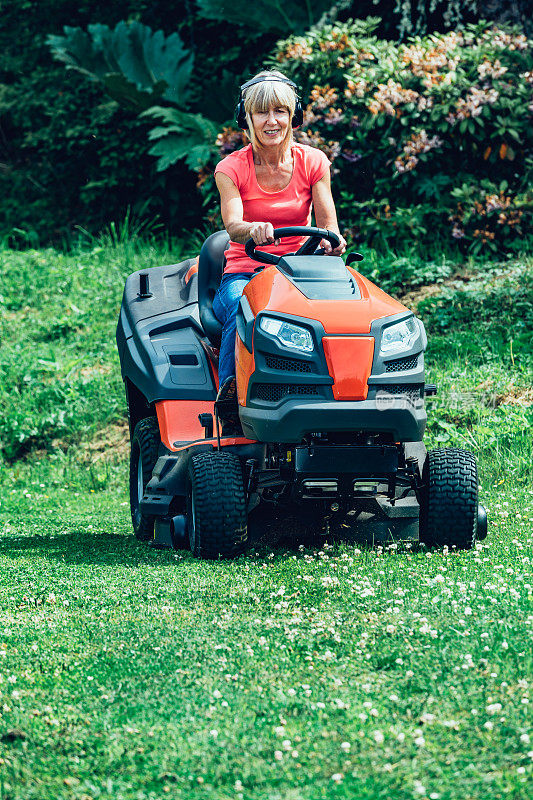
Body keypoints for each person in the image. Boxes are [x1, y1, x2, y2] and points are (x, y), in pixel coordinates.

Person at [213, 70, 346, 425]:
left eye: (280, 111)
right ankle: (231, 395)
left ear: (294, 116)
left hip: (300, 272)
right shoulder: (230, 168)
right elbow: (232, 226)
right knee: (245, 308)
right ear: (247, 118)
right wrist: (251, 229)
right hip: (246, 270)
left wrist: (335, 240)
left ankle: (338, 393)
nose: (271, 121)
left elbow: (328, 224)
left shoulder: (314, 162)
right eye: (261, 112)